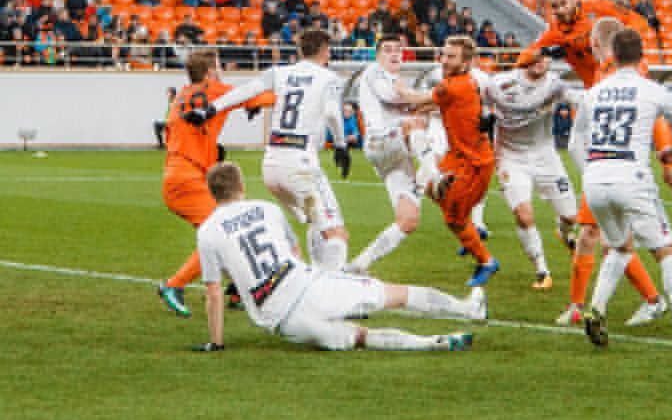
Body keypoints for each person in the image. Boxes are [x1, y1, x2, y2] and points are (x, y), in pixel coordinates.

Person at [192, 161, 485, 353]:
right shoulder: (266, 209)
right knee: (394, 295)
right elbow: (295, 253)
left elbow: (213, 292)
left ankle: (431, 344)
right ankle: (468, 309)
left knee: (359, 337)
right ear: (241, 186)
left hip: (283, 321)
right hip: (308, 287)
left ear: (212, 194)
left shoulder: (208, 231)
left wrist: (216, 343)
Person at [569, 29, 672, 352]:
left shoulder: (594, 92)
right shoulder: (653, 91)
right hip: (632, 176)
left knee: (619, 248)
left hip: (596, 179)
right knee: (665, 251)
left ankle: (596, 309)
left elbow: (575, 142)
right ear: (642, 55)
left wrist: (589, 173)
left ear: (613, 56)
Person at [520, 0, 672, 204]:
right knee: (582, 145)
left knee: (656, 119)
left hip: (622, 82)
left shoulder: (599, 8)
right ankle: (591, 196)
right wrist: (544, 52)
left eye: (563, 3)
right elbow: (523, 58)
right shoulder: (554, 32)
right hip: (596, 97)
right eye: (554, 6)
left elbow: (638, 22)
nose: (560, 10)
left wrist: (620, 41)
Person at [185, 30, 353, 272]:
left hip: (272, 168)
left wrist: (209, 109)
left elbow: (246, 90)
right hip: (301, 166)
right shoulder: (329, 78)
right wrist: (340, 144)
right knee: (335, 231)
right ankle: (335, 287)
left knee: (315, 221)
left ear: (300, 51)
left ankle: (316, 276)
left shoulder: (279, 72)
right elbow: (331, 113)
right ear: (326, 51)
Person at [549, 17, 668, 327]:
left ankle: (653, 300)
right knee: (590, 235)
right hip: (602, 164)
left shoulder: (624, 74)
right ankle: (578, 305)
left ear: (596, 44)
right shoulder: (603, 72)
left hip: (618, 168)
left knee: (612, 242)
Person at [157, 50, 273, 317]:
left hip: (182, 175)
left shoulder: (182, 95)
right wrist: (294, 90)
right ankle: (174, 285)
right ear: (210, 72)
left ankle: (237, 289)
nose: (221, 71)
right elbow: (260, 97)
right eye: (219, 67)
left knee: (232, 226)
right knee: (224, 232)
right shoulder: (215, 90)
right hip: (187, 178)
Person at [395, 36, 500, 287]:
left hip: (473, 163)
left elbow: (415, 97)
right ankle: (469, 235)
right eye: (443, 54)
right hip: (458, 155)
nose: (444, 60)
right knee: (429, 185)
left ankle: (486, 261)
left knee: (454, 220)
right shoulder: (459, 82)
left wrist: (396, 86)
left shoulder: (454, 85)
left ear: (465, 63)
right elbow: (436, 104)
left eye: (451, 56)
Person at [482, 50, 580, 289]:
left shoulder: (554, 85)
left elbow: (577, 98)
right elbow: (481, 101)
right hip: (511, 157)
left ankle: (564, 233)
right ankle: (542, 270)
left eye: (545, 58)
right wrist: (485, 119)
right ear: (525, 60)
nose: (540, 62)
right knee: (524, 215)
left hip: (546, 157)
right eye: (536, 57)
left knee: (571, 216)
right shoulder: (500, 83)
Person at [343, 36, 441, 274]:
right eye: (387, 50)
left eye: (398, 50)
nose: (394, 54)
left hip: (396, 155)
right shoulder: (374, 72)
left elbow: (413, 103)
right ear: (378, 56)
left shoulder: (399, 82)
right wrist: (433, 96)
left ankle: (359, 264)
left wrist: (434, 102)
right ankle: (434, 176)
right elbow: (393, 97)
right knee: (415, 123)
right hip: (379, 141)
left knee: (408, 220)